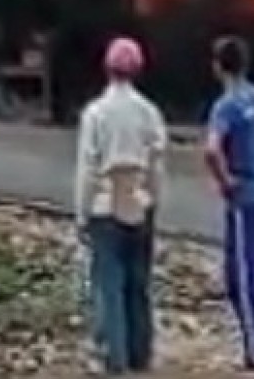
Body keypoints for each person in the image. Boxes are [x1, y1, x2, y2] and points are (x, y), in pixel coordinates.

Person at [75, 37, 167, 375]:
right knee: (139, 283)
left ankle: (115, 356)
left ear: (106, 69)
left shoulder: (95, 113)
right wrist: (154, 201)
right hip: (140, 204)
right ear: (138, 69)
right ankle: (141, 353)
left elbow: (87, 168)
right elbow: (157, 163)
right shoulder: (150, 113)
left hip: (104, 206)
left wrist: (81, 212)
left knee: (109, 283)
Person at [203, 35, 254, 371]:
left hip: (245, 196)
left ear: (218, 66)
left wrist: (225, 180)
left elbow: (211, 148)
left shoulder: (226, 105)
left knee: (244, 275)